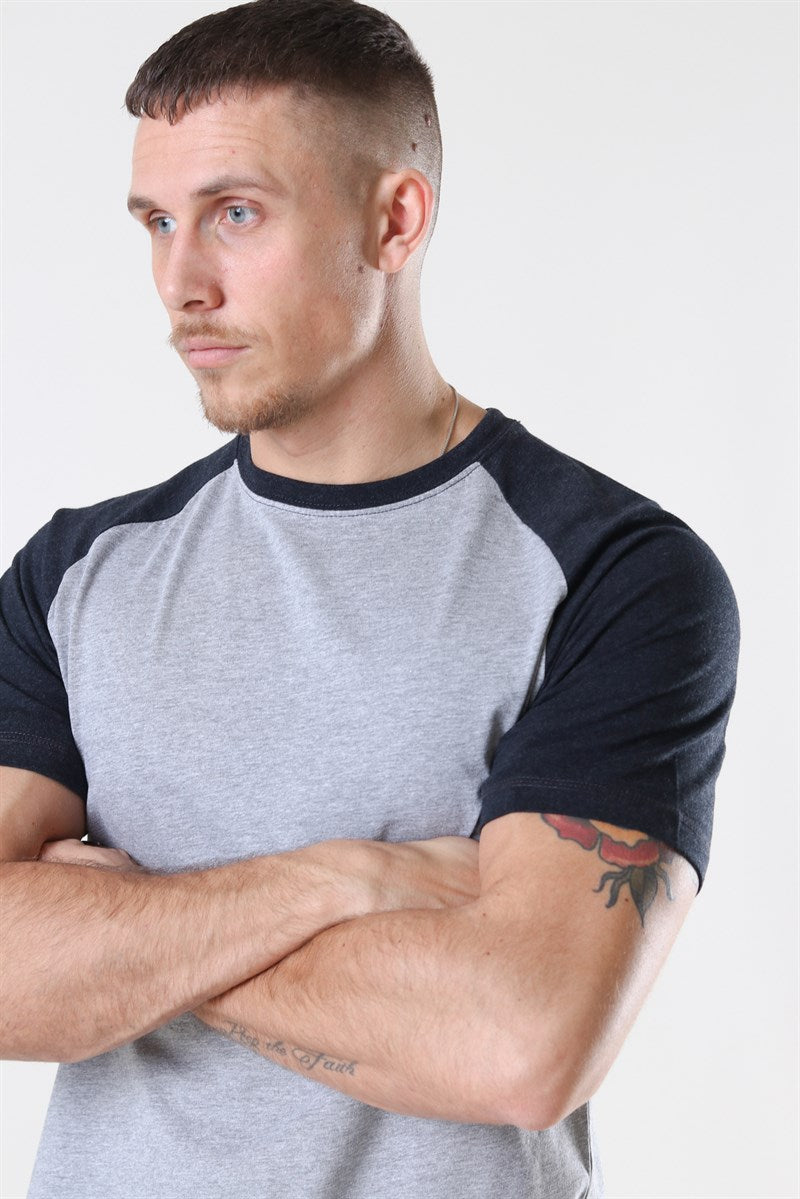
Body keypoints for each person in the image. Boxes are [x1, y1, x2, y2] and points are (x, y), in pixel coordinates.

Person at [0, 1, 740, 1196]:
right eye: (157, 222)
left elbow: (519, 1046)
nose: (182, 282)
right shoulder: (75, 574)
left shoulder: (613, 572)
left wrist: (122, 927)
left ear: (393, 220)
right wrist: (344, 880)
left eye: (236, 213)